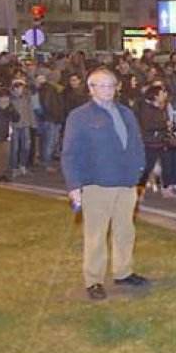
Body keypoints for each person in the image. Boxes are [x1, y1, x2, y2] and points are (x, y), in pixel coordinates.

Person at [62, 68, 148, 301]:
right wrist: (74, 185)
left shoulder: (126, 112)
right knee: (96, 235)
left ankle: (123, 271)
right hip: (97, 184)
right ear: (91, 89)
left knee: (125, 230)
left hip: (126, 183)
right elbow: (70, 153)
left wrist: (139, 170)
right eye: (101, 85)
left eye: (110, 85)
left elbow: (136, 143)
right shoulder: (79, 116)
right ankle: (94, 280)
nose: (107, 90)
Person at [139, 84, 176, 198]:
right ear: (155, 96)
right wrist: (164, 124)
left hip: (163, 142)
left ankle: (167, 189)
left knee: (167, 166)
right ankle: (139, 189)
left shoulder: (162, 108)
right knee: (148, 167)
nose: (164, 95)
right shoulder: (147, 109)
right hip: (151, 143)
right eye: (162, 93)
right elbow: (147, 125)